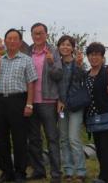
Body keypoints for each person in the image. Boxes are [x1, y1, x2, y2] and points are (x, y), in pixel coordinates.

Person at [0, 28, 38, 183]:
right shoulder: (0, 58)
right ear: (5, 41)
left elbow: (31, 83)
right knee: (1, 139)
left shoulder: (26, 59)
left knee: (19, 139)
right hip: (1, 102)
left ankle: (20, 172)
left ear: (19, 42)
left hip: (19, 101)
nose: (11, 41)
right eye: (8, 38)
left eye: (15, 38)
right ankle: (6, 171)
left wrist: (29, 104)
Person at [27, 22, 63, 183]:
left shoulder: (54, 52)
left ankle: (56, 174)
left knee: (52, 138)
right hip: (30, 101)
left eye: (41, 33)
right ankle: (39, 170)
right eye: (35, 33)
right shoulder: (27, 52)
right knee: (34, 139)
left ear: (46, 34)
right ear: (32, 35)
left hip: (48, 101)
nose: (38, 36)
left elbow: (59, 75)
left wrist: (50, 62)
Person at [84, 42, 108, 183]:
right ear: (88, 57)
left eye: (97, 55)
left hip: (105, 116)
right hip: (92, 117)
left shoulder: (106, 71)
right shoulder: (87, 74)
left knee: (106, 148)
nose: (94, 57)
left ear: (102, 57)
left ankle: (105, 177)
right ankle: (102, 175)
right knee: (99, 147)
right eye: (91, 55)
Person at [56, 35, 87, 183]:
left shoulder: (78, 64)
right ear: (58, 47)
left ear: (73, 48)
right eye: (62, 44)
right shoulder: (56, 64)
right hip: (61, 107)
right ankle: (68, 171)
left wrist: (80, 65)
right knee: (63, 139)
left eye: (68, 45)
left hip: (75, 106)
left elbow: (83, 80)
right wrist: (58, 100)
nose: (65, 47)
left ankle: (80, 171)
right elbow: (53, 84)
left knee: (74, 138)